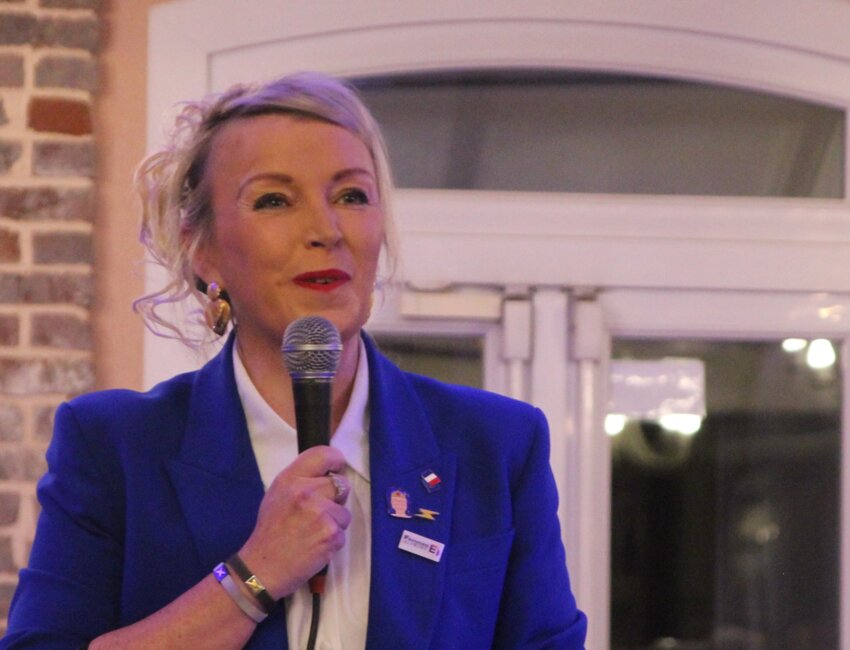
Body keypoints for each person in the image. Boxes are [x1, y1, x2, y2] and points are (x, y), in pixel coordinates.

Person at [1, 72, 587, 649]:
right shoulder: (114, 447)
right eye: (275, 199)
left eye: (351, 195)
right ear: (201, 248)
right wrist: (251, 579)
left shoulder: (497, 445)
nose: (325, 229)